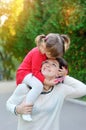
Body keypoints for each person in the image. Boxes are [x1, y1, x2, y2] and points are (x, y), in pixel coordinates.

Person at [6, 58, 86, 130]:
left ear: (59, 72)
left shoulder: (60, 90)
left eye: (53, 64)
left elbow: (83, 89)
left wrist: (64, 77)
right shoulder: (25, 87)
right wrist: (17, 109)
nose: (48, 65)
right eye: (46, 62)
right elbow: (9, 104)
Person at [15, 33, 70, 121]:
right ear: (45, 46)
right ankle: (26, 111)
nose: (53, 58)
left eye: (56, 56)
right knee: (38, 86)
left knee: (41, 87)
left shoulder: (50, 52)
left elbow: (60, 68)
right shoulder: (37, 52)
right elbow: (35, 72)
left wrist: (64, 73)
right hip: (24, 73)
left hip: (32, 74)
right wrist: (47, 82)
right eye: (51, 55)